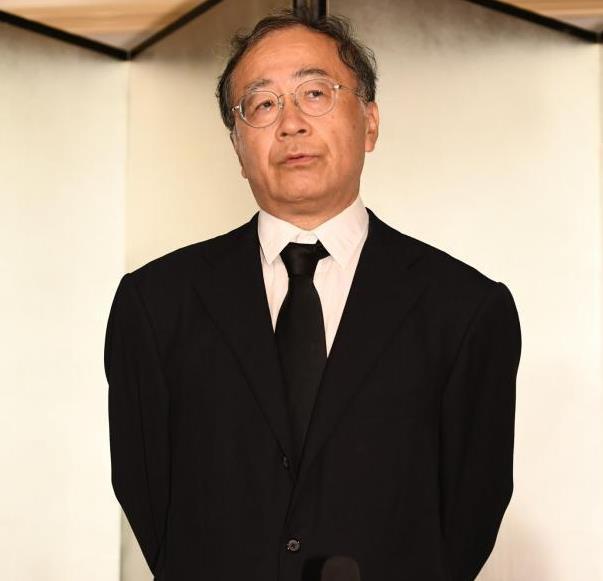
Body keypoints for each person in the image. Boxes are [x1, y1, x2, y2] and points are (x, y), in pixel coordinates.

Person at [104, 8, 521, 581]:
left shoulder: (465, 309)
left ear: (369, 122)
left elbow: (471, 510)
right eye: (262, 104)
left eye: (315, 93)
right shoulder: (155, 304)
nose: (291, 124)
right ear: (236, 144)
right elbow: (149, 496)